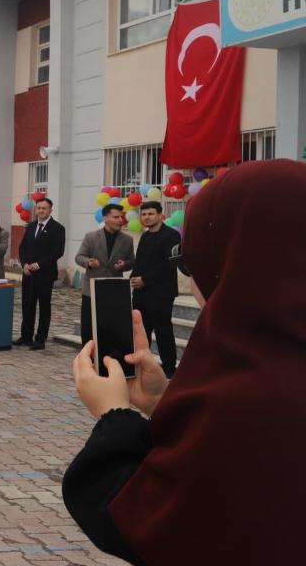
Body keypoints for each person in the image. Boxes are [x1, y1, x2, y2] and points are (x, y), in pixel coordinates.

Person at [63, 160, 305, 565]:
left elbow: (143, 521)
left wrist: (114, 415)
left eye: (193, 263)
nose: (192, 280)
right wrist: (165, 404)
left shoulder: (255, 397)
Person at [130, 201, 181, 378]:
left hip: (161, 292)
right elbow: (140, 262)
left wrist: (145, 279)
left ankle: (169, 368)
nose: (147, 217)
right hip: (141, 293)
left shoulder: (171, 235)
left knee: (163, 330)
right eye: (144, 214)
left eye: (151, 214)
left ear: (160, 215)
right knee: (141, 330)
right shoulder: (145, 236)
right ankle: (142, 363)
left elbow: (168, 264)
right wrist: (133, 278)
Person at [75, 203, 135, 344]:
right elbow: (79, 257)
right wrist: (89, 262)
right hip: (91, 290)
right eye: (116, 217)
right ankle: (87, 357)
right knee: (88, 327)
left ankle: (107, 356)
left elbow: (132, 261)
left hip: (114, 290)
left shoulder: (127, 240)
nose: (120, 220)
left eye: (121, 217)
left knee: (110, 327)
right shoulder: (90, 237)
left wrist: (124, 265)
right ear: (105, 218)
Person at [15, 197, 65, 350]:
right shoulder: (30, 226)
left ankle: (40, 338)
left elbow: (57, 251)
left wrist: (39, 265)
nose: (41, 211)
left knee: (44, 306)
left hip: (45, 274)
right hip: (28, 273)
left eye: (44, 208)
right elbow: (22, 248)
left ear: (50, 210)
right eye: (39, 208)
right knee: (27, 305)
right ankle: (26, 336)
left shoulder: (57, 228)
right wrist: (24, 265)